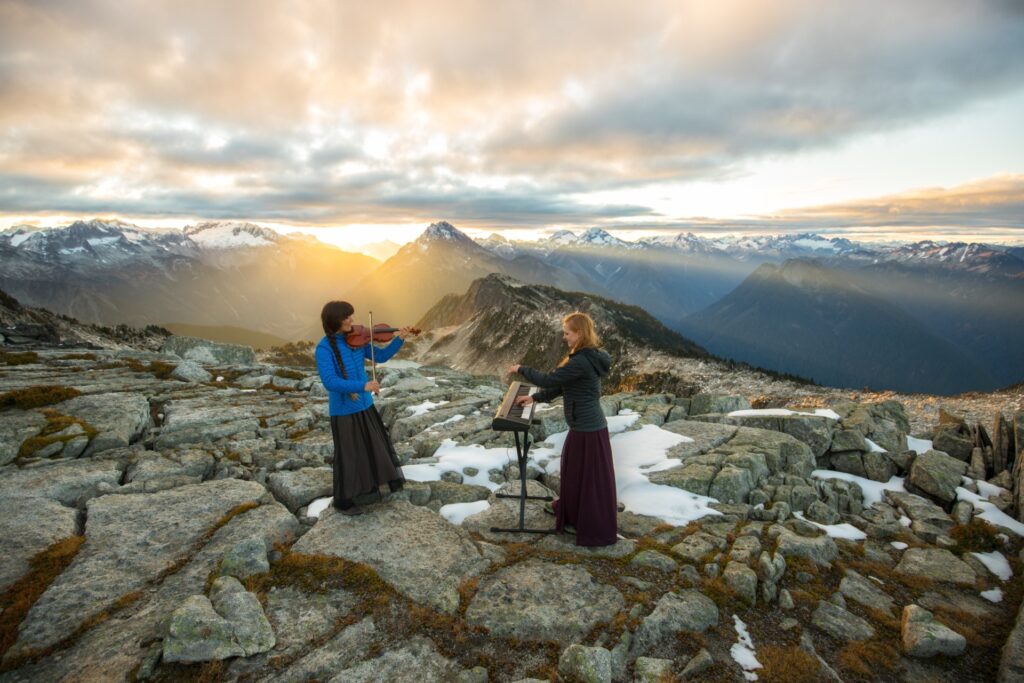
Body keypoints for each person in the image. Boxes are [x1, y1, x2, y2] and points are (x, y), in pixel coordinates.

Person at [507, 311, 617, 546]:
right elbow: (561, 387)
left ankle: (590, 524)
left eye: (567, 333)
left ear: (579, 334)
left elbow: (549, 379)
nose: (564, 337)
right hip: (587, 427)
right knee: (576, 474)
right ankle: (573, 512)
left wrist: (521, 368)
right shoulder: (586, 357)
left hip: (587, 429)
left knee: (583, 477)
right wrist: (535, 398)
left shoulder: (580, 361)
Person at [316, 301, 413, 516]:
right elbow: (330, 382)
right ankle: (343, 501)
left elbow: (381, 356)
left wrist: (400, 339)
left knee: (372, 447)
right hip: (344, 410)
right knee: (349, 455)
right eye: (347, 317)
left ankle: (368, 488)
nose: (352, 320)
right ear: (335, 321)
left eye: (351, 316)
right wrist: (364, 386)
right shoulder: (324, 348)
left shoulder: (358, 341)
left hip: (365, 405)